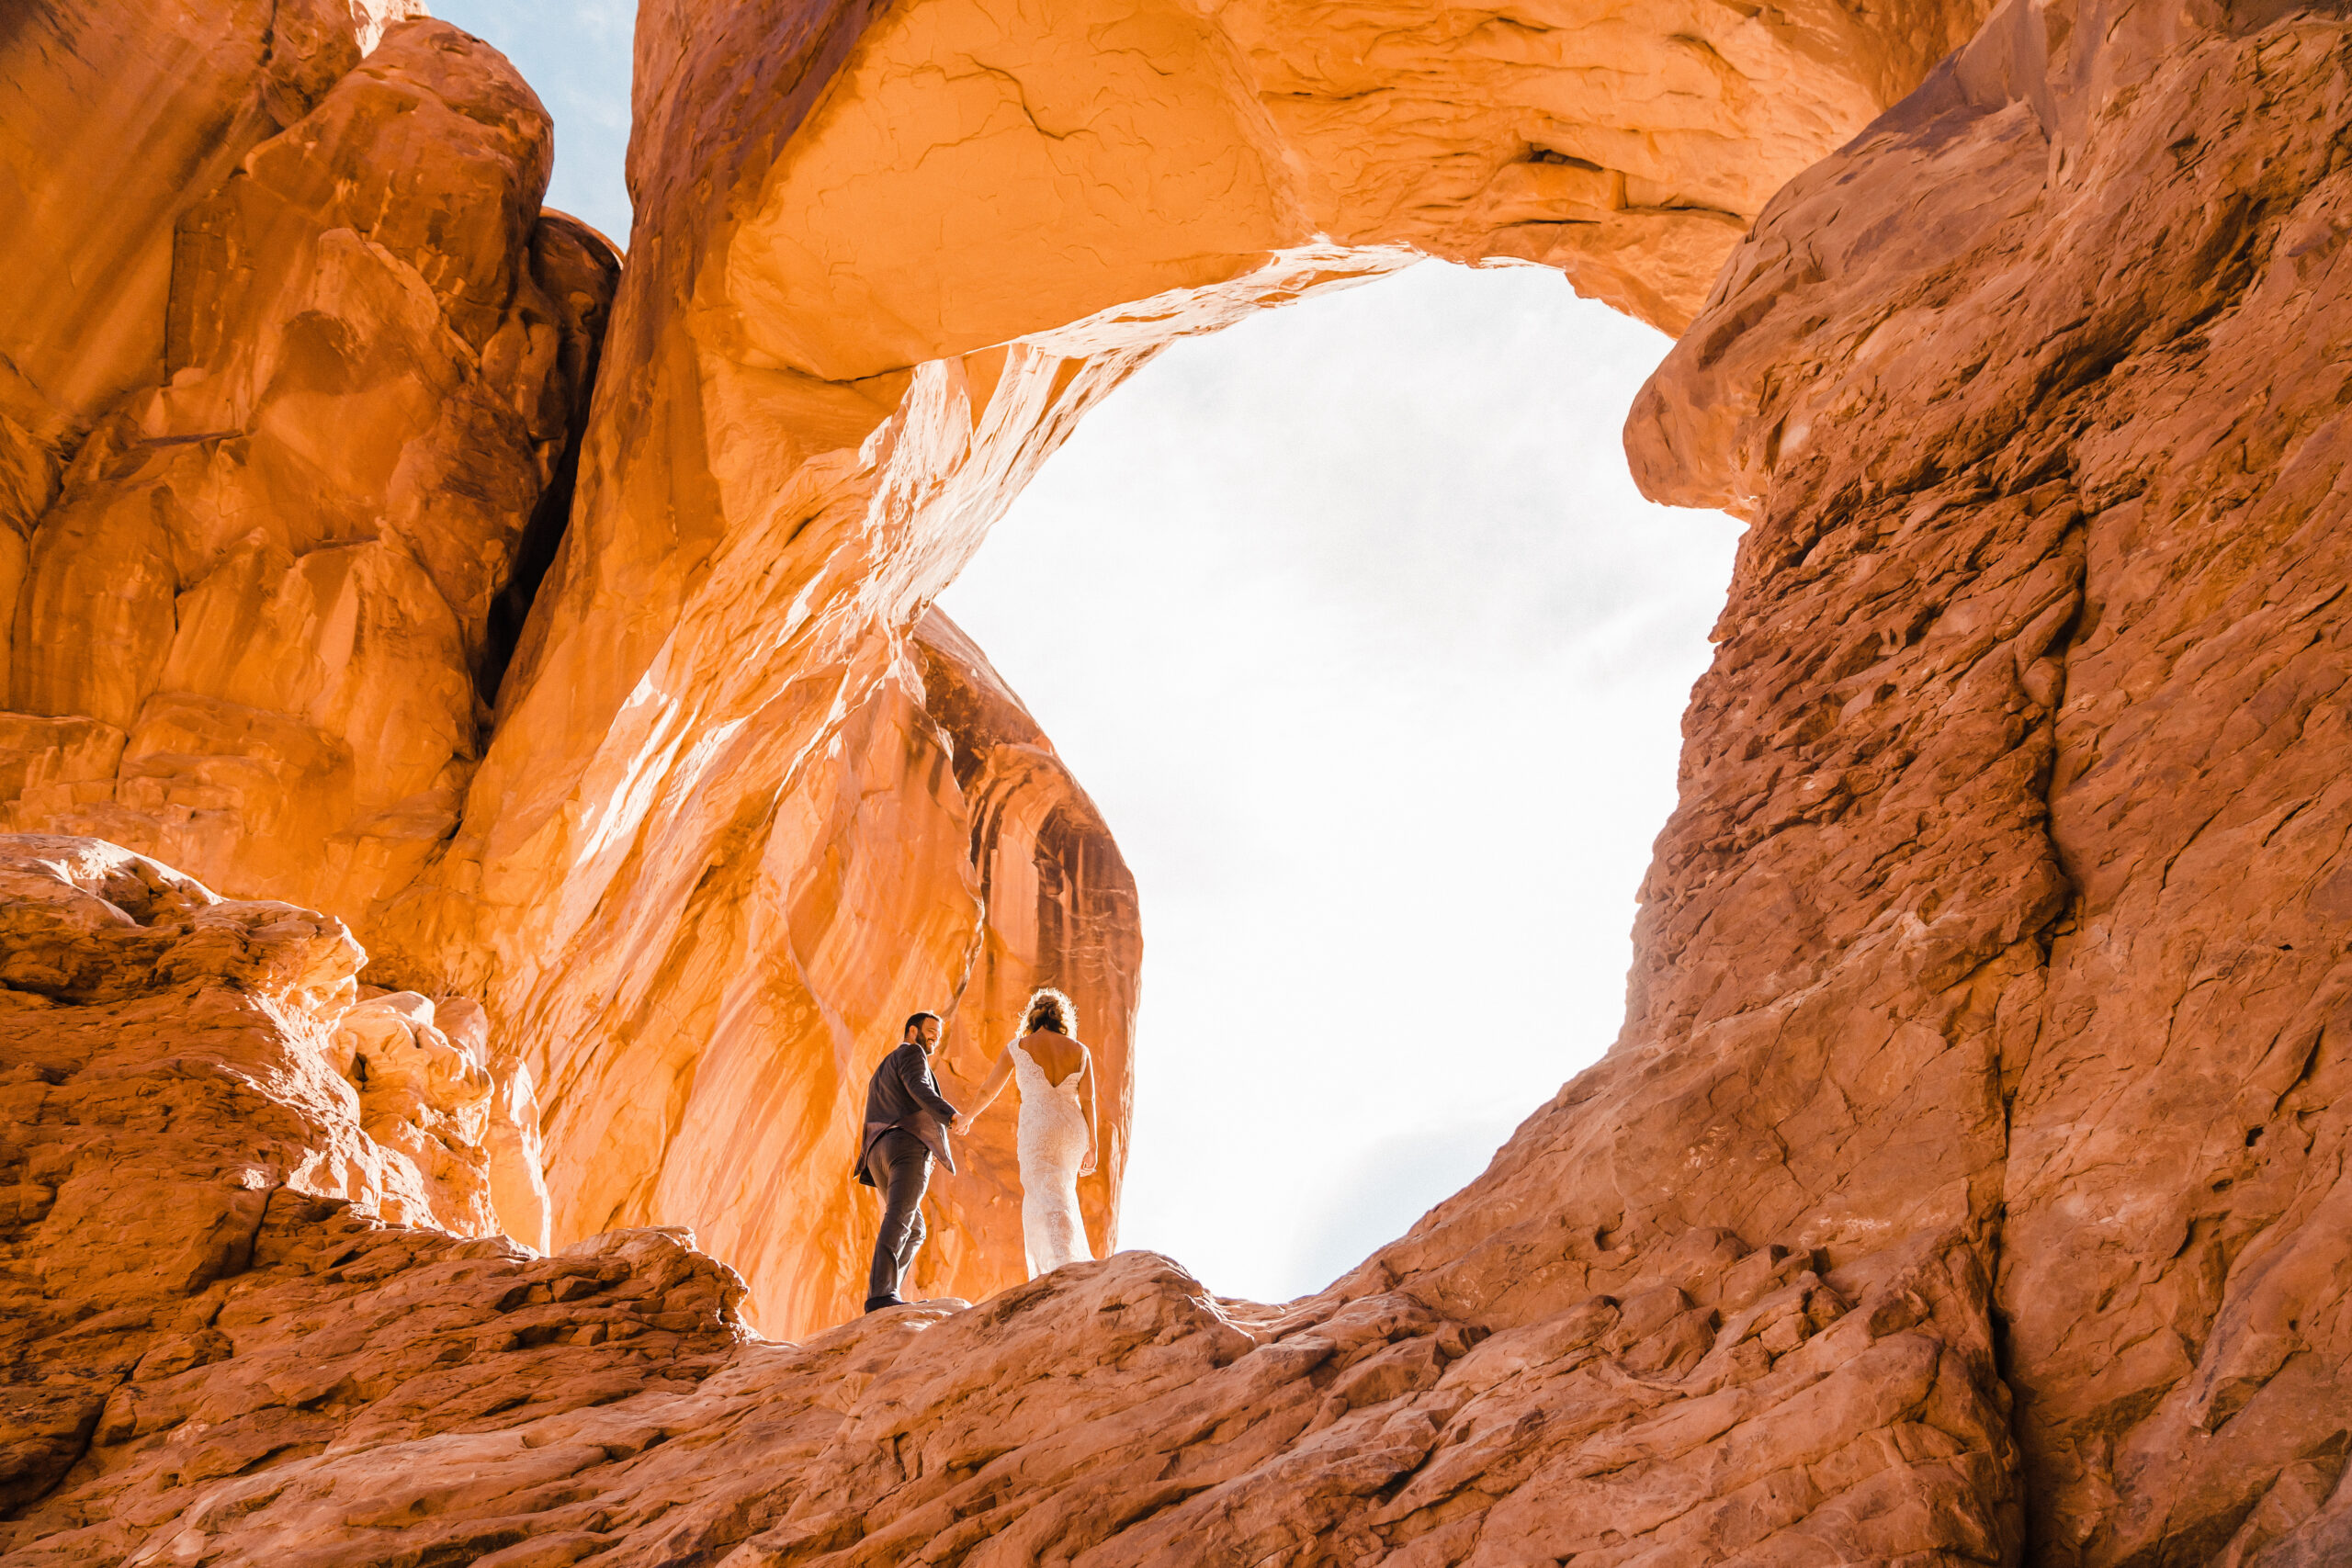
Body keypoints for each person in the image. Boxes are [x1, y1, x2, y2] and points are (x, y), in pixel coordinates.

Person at [953, 987, 1097, 1278]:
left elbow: (987, 1090)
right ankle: (1067, 1259)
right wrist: (1093, 1145)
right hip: (1072, 1130)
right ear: (1062, 1017)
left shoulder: (1018, 1047)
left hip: (1040, 1128)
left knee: (1044, 1195)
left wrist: (967, 1117)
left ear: (1033, 1015)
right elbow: (1089, 1100)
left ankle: (1061, 1264)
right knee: (1062, 1191)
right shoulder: (1080, 1051)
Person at [855, 1010, 959, 1312]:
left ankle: (888, 1291)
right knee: (900, 1217)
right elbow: (920, 1090)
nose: (935, 1038)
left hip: (877, 1154)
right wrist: (951, 1117)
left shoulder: (881, 1070)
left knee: (914, 1228)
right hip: (905, 1147)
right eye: (930, 1031)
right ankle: (881, 1296)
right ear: (912, 1031)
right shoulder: (913, 1053)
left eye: (938, 1035)